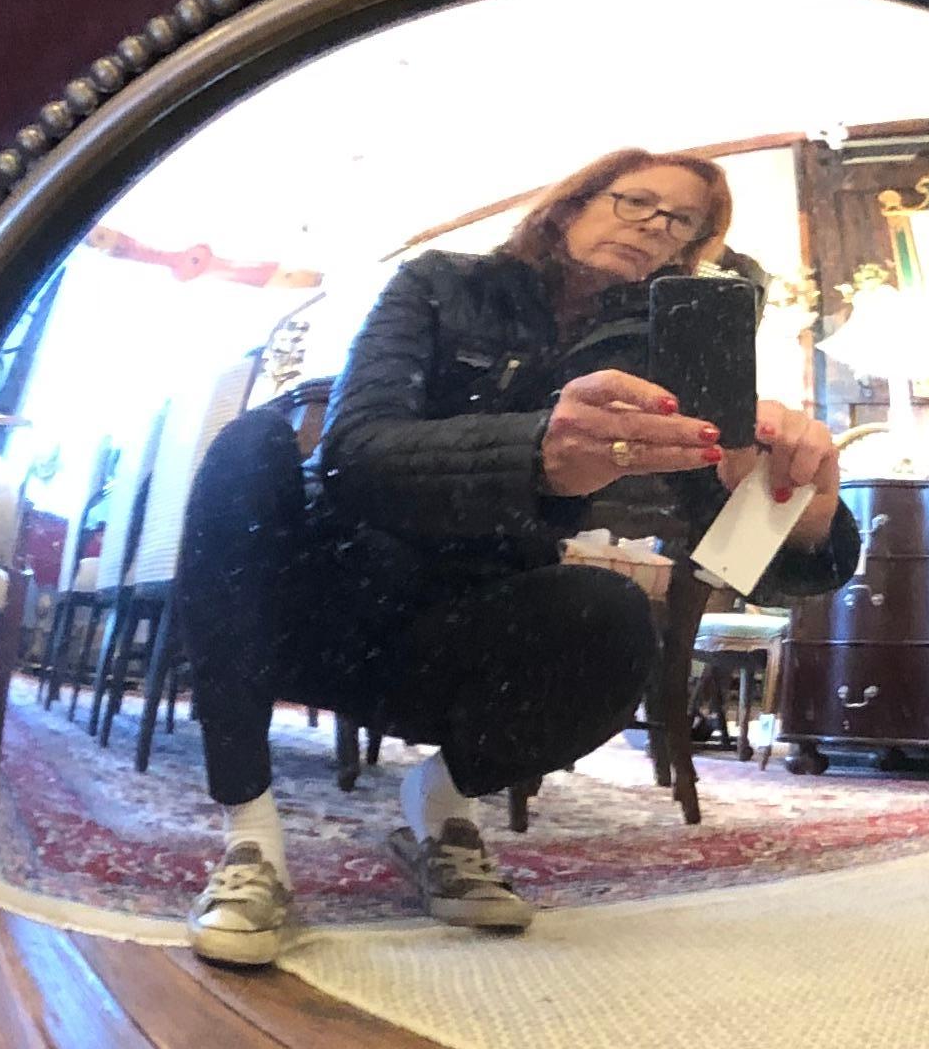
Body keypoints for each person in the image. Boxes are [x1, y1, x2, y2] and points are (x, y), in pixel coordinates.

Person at [172, 146, 856, 956]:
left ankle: (442, 805)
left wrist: (795, 514)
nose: (655, 230)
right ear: (573, 204)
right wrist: (537, 451)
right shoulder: (439, 284)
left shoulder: (671, 348)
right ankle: (250, 833)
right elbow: (354, 455)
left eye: (682, 225)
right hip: (319, 600)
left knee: (610, 615)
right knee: (249, 450)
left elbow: (737, 554)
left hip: (464, 633)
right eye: (636, 202)